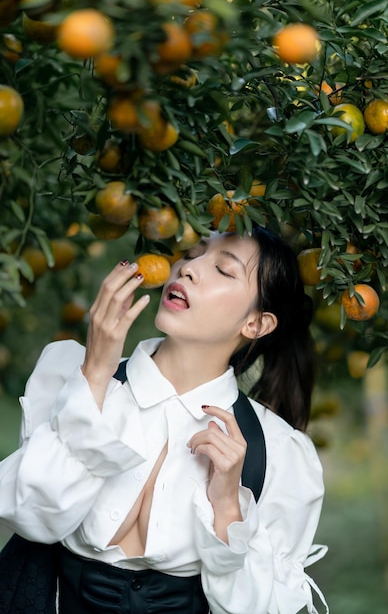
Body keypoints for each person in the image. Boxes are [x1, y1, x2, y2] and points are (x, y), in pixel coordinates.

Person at [0, 226, 328, 614]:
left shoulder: (276, 450)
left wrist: (226, 507)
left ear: (256, 324)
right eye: (191, 254)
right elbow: (29, 516)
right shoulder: (71, 378)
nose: (186, 269)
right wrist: (93, 375)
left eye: (224, 270)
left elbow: (259, 607)